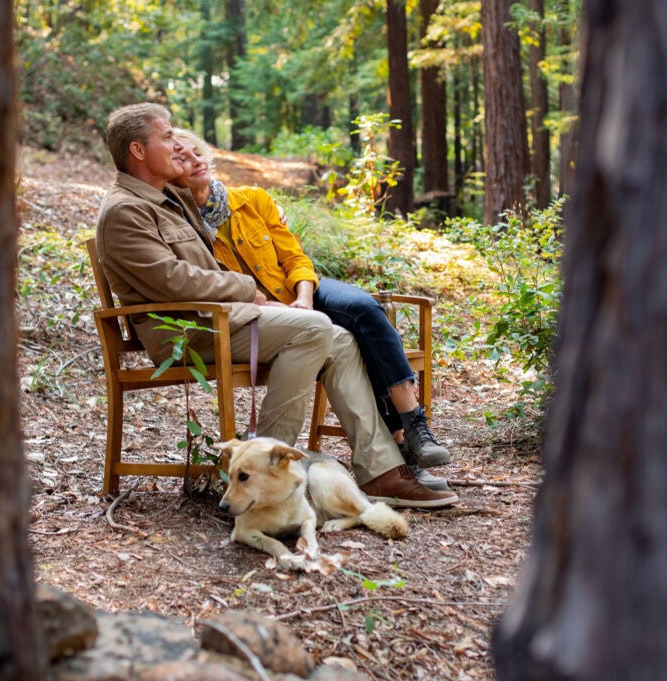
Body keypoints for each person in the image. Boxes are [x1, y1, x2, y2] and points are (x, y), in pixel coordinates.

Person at [95, 103, 456, 508]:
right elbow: (172, 282)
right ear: (138, 151)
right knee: (316, 327)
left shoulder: (171, 198)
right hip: (189, 330)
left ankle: (380, 471)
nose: (178, 144)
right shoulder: (125, 210)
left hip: (221, 319)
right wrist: (246, 288)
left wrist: (264, 212)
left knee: (337, 338)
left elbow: (213, 196)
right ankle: (265, 475)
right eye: (167, 137)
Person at [169, 128, 452, 475]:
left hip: (298, 292)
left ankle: (414, 425)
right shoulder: (181, 227)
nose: (194, 160)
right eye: (181, 158)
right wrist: (277, 308)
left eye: (196, 152)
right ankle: (396, 443)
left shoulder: (253, 199)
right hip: (255, 313)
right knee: (350, 341)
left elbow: (296, 259)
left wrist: (303, 298)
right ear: (168, 170)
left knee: (363, 309)